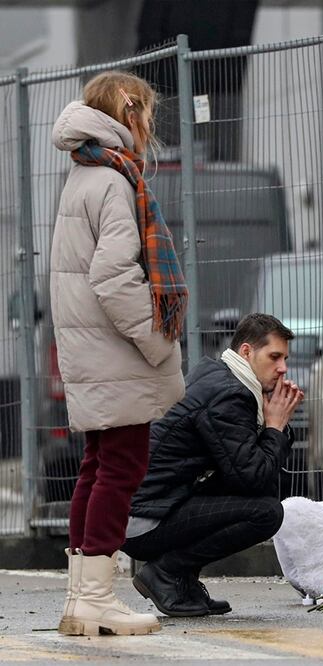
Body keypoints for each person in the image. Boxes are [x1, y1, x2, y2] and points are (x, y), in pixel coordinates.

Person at [51, 71, 187, 636]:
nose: (150, 126)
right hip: (116, 350)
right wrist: (158, 343)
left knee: (98, 465)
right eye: (148, 113)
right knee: (122, 467)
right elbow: (113, 277)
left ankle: (83, 596)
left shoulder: (85, 173)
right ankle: (96, 600)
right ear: (130, 114)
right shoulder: (113, 180)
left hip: (92, 347)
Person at [122, 313, 304, 617]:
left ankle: (182, 580)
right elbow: (253, 476)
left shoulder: (222, 376)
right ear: (246, 351)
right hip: (144, 520)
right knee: (266, 513)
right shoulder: (229, 394)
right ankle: (166, 573)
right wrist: (274, 427)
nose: (283, 367)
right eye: (274, 357)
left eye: (285, 358)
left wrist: (274, 426)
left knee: (257, 496)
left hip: (155, 505)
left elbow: (247, 469)